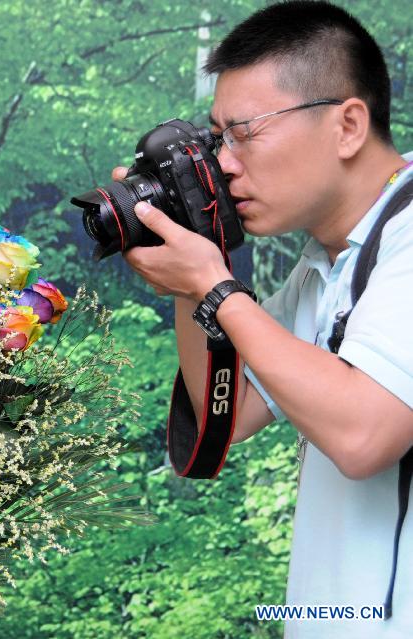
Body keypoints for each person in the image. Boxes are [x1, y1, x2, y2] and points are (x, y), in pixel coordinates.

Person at [114, 2, 413, 637]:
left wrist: (214, 286)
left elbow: (365, 436)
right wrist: (191, 256)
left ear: (348, 126)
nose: (223, 162)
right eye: (217, 137)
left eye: (245, 132)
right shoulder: (326, 262)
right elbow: (232, 412)